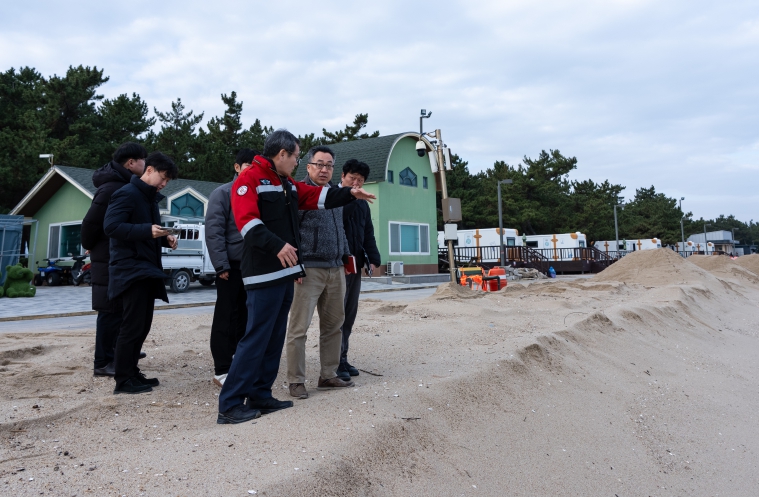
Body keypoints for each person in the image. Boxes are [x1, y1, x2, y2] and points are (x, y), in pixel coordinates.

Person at [217, 129, 376, 424]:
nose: (296, 162)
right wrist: (277, 245)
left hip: (287, 271)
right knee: (256, 338)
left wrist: (350, 193)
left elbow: (316, 196)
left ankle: (261, 395)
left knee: (274, 338)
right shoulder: (249, 179)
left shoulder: (286, 182)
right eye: (296, 156)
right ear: (282, 154)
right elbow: (247, 223)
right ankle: (229, 405)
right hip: (262, 273)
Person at [104, 152, 179, 395]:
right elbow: (111, 227)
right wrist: (148, 230)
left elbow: (147, 231)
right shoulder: (127, 193)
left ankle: (132, 371)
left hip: (146, 268)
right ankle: (123, 380)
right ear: (149, 170)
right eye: (163, 178)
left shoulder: (149, 198)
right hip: (130, 269)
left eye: (167, 181)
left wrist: (165, 238)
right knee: (132, 326)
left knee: (142, 325)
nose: (164, 183)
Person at [285, 146, 354, 400]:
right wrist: (296, 265)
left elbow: (341, 229)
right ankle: (296, 380)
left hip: (335, 268)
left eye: (329, 165)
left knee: (334, 325)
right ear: (308, 166)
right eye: (319, 164)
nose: (324, 169)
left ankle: (328, 374)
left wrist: (346, 256)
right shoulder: (299, 193)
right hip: (308, 270)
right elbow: (290, 231)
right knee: (299, 328)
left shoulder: (335, 194)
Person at [81, 142, 148, 377]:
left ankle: (119, 352)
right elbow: (90, 224)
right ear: (131, 163)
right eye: (143, 160)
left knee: (121, 308)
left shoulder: (126, 186)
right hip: (107, 256)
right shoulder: (111, 188)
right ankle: (103, 361)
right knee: (109, 309)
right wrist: (92, 247)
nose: (146, 164)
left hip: (118, 255)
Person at [205, 148, 257, 387]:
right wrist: (221, 265)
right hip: (230, 266)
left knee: (247, 316)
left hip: (254, 265)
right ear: (237, 167)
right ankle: (222, 368)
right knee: (225, 317)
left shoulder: (258, 193)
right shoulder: (223, 193)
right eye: (248, 166)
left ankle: (240, 361)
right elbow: (214, 231)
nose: (252, 171)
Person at [338, 159, 381, 379]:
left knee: (349, 313)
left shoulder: (363, 203)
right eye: (352, 178)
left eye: (360, 180)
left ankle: (342, 358)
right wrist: (351, 197)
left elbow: (368, 233)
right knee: (336, 314)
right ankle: (333, 362)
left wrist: (373, 258)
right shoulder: (334, 197)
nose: (356, 183)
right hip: (337, 265)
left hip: (355, 264)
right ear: (342, 176)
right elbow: (338, 220)